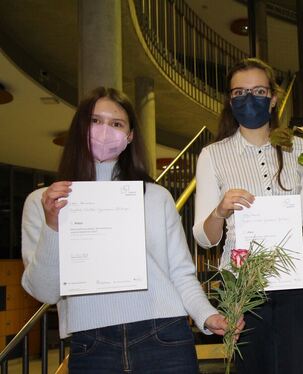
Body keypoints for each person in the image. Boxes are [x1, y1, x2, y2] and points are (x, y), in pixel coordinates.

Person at [21, 87, 240, 373]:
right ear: (79, 128)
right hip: (92, 344)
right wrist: (53, 226)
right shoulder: (44, 202)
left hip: (165, 335)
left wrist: (207, 315)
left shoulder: (155, 196)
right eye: (95, 121)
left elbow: (180, 273)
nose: (104, 131)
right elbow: (45, 292)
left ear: (130, 135)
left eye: (116, 124)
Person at [192, 58, 303, 374]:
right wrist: (220, 210)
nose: (249, 99)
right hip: (241, 281)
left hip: (296, 279)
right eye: (239, 92)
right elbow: (206, 237)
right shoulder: (212, 155)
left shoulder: (298, 148)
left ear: (273, 99)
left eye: (259, 91)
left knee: (299, 367)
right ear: (230, 100)